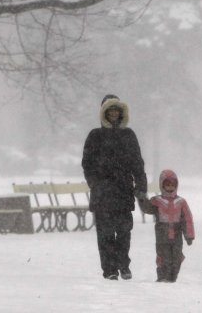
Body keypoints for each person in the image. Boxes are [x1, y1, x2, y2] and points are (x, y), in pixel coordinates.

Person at [81, 94, 148, 280]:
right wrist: (95, 183)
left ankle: (124, 266)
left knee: (124, 231)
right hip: (102, 194)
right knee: (105, 233)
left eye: (116, 110)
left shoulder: (129, 135)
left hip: (123, 191)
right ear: (104, 112)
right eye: (109, 110)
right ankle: (110, 269)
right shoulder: (95, 136)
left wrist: (141, 185)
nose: (113, 113)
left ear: (121, 112)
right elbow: (87, 163)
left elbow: (137, 163)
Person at [137, 169, 195, 282]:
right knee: (163, 257)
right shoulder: (157, 201)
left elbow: (187, 219)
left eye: (173, 185)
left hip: (177, 235)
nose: (170, 188)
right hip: (161, 235)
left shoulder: (181, 202)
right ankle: (162, 276)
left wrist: (189, 235)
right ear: (162, 185)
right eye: (167, 185)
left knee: (176, 257)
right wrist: (142, 199)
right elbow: (147, 208)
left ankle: (173, 276)